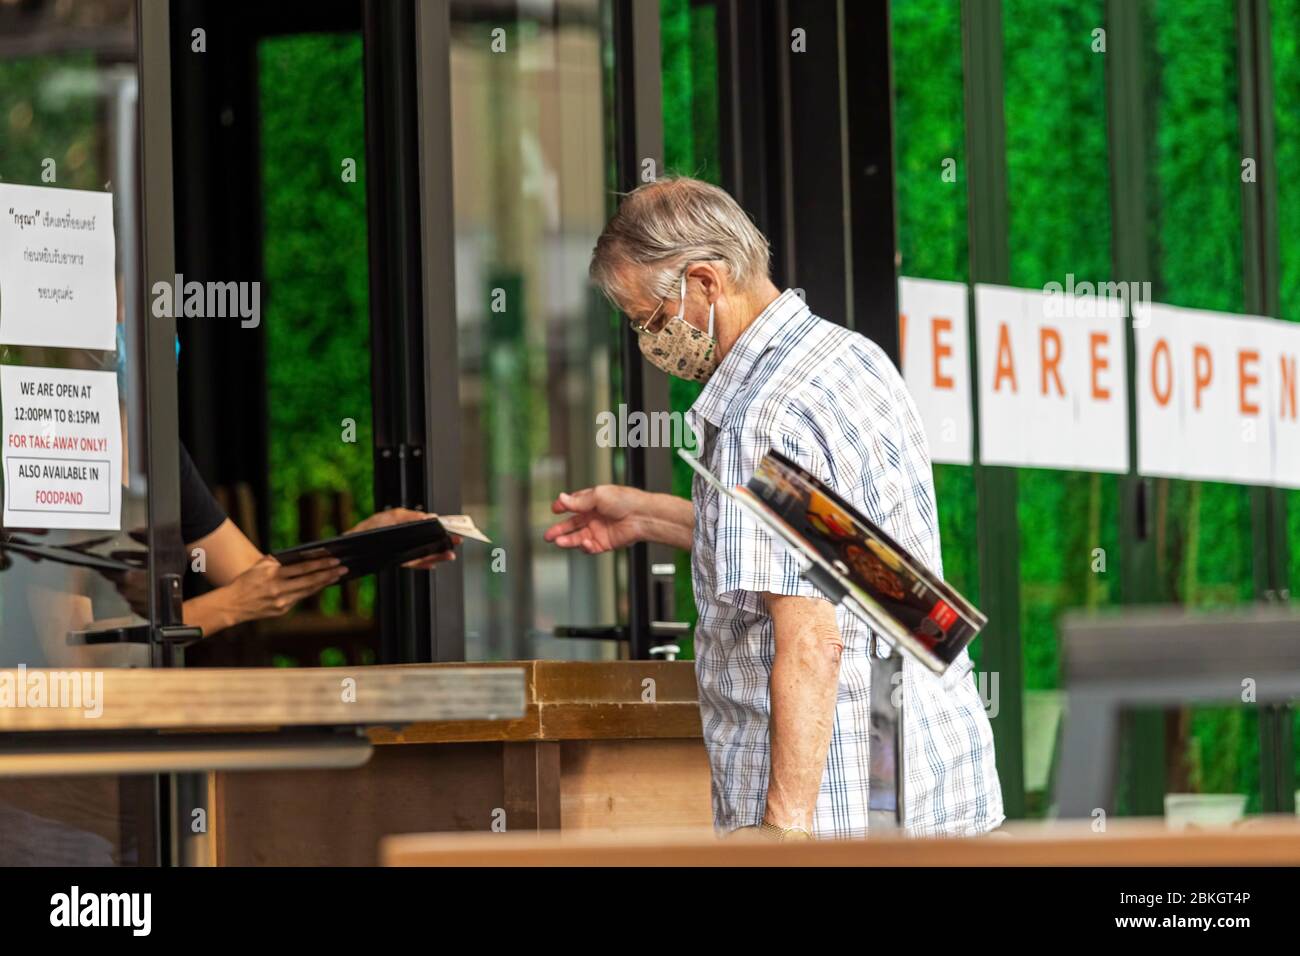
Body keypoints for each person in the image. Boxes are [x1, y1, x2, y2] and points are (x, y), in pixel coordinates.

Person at [544, 176, 1003, 840]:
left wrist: (783, 836)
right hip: (931, 773)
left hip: (841, 805)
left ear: (705, 283)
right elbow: (843, 560)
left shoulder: (758, 417)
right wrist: (648, 516)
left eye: (648, 319)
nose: (650, 342)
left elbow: (813, 636)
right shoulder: (848, 357)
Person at [177, 443, 453, 636]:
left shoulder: (167, 455)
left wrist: (366, 543)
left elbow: (253, 578)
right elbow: (133, 638)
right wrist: (230, 605)